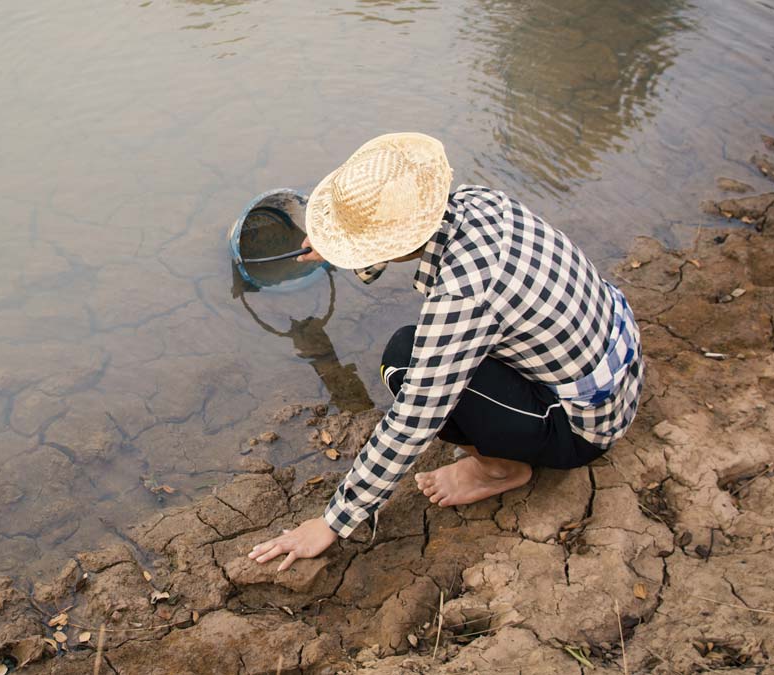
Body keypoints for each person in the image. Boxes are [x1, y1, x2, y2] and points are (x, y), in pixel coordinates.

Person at [248, 133, 643, 572]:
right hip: (617, 360)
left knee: (402, 359)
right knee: (425, 349)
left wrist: (332, 522)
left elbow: (413, 421)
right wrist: (343, 249)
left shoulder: (463, 296)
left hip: (586, 425)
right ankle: (507, 445)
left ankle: (498, 470)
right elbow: (407, 241)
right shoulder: (478, 201)